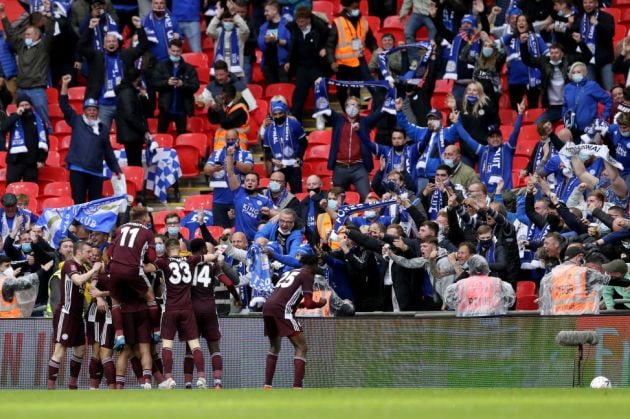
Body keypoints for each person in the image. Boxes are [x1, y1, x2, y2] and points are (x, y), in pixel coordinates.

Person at [150, 238, 216, 390]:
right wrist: (217, 254)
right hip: (187, 309)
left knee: (167, 345)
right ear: (179, 249)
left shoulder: (163, 262)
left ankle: (169, 379)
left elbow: (147, 267)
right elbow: (209, 257)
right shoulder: (189, 259)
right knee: (195, 344)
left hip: (171, 309)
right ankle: (201, 378)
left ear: (167, 249)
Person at [262, 253, 326, 389]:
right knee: (302, 347)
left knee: (275, 347)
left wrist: (300, 305)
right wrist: (321, 303)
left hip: (268, 307)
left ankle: (267, 386)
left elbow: (291, 299)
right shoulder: (307, 275)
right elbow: (309, 304)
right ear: (313, 266)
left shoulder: (291, 272)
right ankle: (297, 387)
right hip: (282, 310)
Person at [78, 14, 147, 133]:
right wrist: (89, 28)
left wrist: (140, 28)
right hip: (104, 105)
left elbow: (143, 47)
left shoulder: (126, 55)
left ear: (118, 43)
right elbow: (81, 47)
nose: (111, 43)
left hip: (124, 104)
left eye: (113, 41)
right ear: (104, 45)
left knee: (128, 136)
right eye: (108, 41)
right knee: (102, 136)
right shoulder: (97, 57)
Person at [47, 241, 102, 389]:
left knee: (80, 349)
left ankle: (72, 385)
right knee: (60, 349)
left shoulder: (82, 267)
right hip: (66, 313)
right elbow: (78, 280)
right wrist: (93, 270)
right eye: (88, 252)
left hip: (78, 316)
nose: (91, 254)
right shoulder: (70, 264)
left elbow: (93, 281)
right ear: (79, 252)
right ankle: (50, 388)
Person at [59, 75, 122, 204]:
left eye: (94, 110)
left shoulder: (103, 128)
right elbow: (64, 105)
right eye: (89, 110)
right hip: (78, 170)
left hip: (96, 172)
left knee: (95, 205)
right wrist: (65, 86)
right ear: (84, 111)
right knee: (79, 202)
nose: (92, 112)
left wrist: (116, 169)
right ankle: (78, 224)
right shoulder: (76, 121)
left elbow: (108, 151)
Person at [0, 3, 55, 129]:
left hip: (37, 90)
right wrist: (3, 14)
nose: (26, 37)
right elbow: (11, 32)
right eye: (25, 35)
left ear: (37, 36)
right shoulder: (21, 46)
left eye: (28, 35)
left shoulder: (43, 47)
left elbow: (50, 31)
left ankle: (50, 141)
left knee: (44, 120)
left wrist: (49, 13)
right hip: (22, 90)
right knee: (21, 122)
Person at [539, 246, 629, 315]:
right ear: (579, 257)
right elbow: (611, 280)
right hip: (583, 316)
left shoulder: (549, 276)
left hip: (558, 317)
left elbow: (545, 302)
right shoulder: (584, 273)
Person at [325, 0, 376, 106]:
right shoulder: (338, 22)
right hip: (342, 63)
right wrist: (332, 62)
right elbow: (330, 45)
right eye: (354, 7)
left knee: (356, 90)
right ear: (347, 7)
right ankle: (346, 112)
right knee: (342, 92)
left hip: (358, 61)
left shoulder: (363, 21)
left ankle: (355, 114)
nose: (357, 8)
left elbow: (371, 40)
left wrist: (376, 52)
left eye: (358, 6)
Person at [285, 7, 329, 122]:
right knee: (298, 96)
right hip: (301, 67)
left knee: (321, 93)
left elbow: (330, 39)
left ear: (309, 20)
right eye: (298, 21)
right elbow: (292, 47)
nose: (300, 24)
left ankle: (322, 118)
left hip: (316, 67)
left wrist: (324, 48)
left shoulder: (319, 27)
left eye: (303, 21)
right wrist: (289, 61)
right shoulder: (292, 27)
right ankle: (296, 122)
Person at [203, 129, 254, 228]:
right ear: (225, 140)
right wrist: (214, 168)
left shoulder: (246, 154)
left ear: (238, 139)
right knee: (220, 232)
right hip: (219, 201)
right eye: (228, 139)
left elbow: (248, 169)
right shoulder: (216, 154)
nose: (231, 141)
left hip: (238, 200)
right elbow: (206, 169)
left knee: (238, 231)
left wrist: (233, 161)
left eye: (233, 139)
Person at [225, 144, 276, 241]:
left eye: (253, 181)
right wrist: (230, 155)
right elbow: (230, 173)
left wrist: (269, 212)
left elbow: (277, 214)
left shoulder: (264, 200)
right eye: (247, 180)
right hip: (239, 240)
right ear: (244, 182)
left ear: (257, 184)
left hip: (256, 240)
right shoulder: (238, 192)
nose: (249, 182)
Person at [152, 38, 200, 136]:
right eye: (173, 51)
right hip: (165, 109)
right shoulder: (161, 66)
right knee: (161, 137)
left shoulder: (189, 68)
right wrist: (167, 83)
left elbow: (195, 86)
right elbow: (154, 83)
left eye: (178, 51)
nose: (175, 53)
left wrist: (183, 84)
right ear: (169, 50)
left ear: (181, 51)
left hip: (182, 110)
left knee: (182, 138)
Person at [444, 254, 515, 317]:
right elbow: (509, 302)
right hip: (494, 318)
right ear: (487, 268)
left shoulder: (460, 284)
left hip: (468, 321)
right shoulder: (498, 282)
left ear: (469, 269)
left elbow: (450, 302)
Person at [262, 99, 308, 193]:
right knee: (277, 194)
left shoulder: (294, 124)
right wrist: (272, 160)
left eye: (280, 113)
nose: (278, 116)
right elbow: (266, 150)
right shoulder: (268, 129)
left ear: (285, 112)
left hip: (293, 165)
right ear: (272, 115)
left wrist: (299, 157)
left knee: (296, 194)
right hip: (278, 167)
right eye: (275, 114)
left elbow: (304, 143)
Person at [1, 94, 48, 184]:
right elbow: (3, 128)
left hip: (32, 162)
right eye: (22, 105)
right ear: (18, 107)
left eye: (27, 105)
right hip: (15, 161)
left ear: (31, 106)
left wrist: (42, 159)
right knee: (11, 187)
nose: (25, 107)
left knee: (31, 189)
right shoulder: (14, 118)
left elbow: (45, 141)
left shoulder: (39, 121)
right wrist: (17, 115)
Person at [114, 68, 153, 167]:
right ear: (135, 79)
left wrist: (143, 97)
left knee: (135, 162)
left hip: (132, 134)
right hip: (131, 134)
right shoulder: (127, 93)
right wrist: (144, 130)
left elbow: (142, 111)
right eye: (139, 78)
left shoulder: (131, 91)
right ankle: (136, 182)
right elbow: (130, 115)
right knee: (134, 164)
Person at [563, 61, 612, 135]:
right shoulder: (567, 88)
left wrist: (603, 119)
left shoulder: (592, 85)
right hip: (572, 129)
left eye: (578, 72)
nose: (576, 74)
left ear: (585, 73)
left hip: (590, 130)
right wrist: (565, 121)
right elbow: (565, 106)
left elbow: (608, 100)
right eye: (573, 72)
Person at [207, 3, 250, 79]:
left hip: (236, 70)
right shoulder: (219, 32)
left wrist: (235, 14)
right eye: (225, 21)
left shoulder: (240, 33)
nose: (228, 23)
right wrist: (217, 16)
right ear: (222, 22)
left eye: (230, 21)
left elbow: (246, 30)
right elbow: (209, 31)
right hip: (220, 70)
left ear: (234, 22)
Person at [257, 1, 291, 83]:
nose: (265, 13)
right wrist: (265, 41)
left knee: (284, 91)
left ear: (275, 11)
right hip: (268, 66)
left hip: (282, 65)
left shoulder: (287, 25)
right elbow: (261, 45)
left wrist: (277, 41)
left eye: (267, 11)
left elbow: (291, 44)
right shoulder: (263, 27)